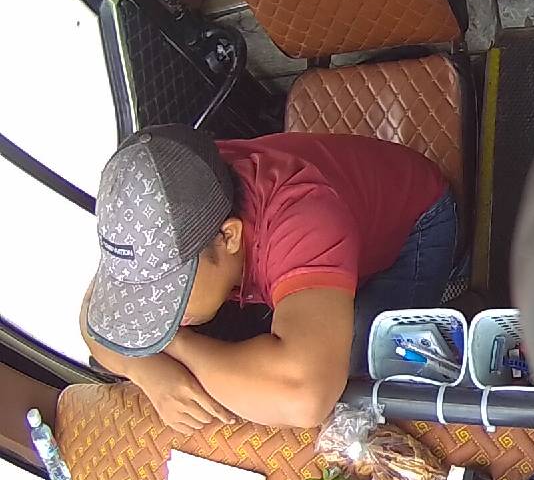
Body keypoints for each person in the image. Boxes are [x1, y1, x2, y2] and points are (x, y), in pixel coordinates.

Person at [79, 125, 457, 433]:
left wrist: (176, 344)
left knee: (358, 387)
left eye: (170, 289)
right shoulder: (156, 212)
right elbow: (95, 322)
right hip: (325, 233)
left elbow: (305, 397)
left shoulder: (303, 217)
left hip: (414, 223)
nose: (160, 314)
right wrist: (146, 370)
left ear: (228, 236)